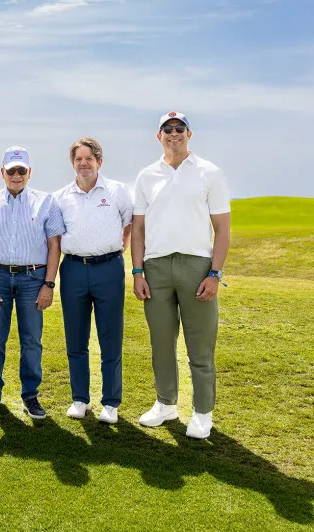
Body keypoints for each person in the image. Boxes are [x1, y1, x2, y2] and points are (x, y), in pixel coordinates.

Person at [132, 112, 231, 439]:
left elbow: (223, 229)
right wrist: (137, 271)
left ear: (189, 133)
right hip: (156, 268)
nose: (173, 134)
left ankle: (202, 413)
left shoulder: (209, 172)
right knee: (161, 343)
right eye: (167, 129)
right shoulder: (146, 176)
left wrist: (215, 273)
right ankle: (166, 404)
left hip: (197, 266)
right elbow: (139, 230)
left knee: (199, 347)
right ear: (158, 136)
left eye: (179, 129)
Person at [0, 146, 65, 419]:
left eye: (22, 170)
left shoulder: (46, 202)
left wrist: (48, 284)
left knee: (31, 340)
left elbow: (54, 246)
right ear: (2, 172)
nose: (17, 175)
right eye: (11, 171)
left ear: (29, 172)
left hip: (33, 279)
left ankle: (30, 396)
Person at [54, 138, 132, 424]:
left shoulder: (117, 192)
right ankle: (80, 399)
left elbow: (130, 224)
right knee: (76, 339)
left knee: (110, 338)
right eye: (78, 159)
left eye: (89, 158)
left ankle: (110, 403)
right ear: (72, 163)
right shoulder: (61, 196)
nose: (83, 163)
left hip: (109, 269)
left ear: (99, 161)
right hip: (73, 269)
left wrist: (117, 248)